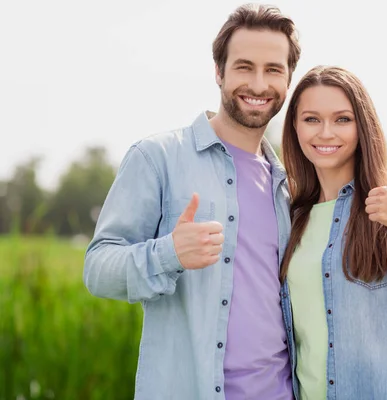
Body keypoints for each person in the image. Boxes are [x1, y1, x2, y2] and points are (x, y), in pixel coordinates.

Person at [83, 4, 301, 399]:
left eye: (273, 70)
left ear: (288, 80)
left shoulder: (287, 185)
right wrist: (168, 255)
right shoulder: (157, 157)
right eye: (243, 67)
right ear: (218, 72)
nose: (257, 84)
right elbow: (97, 269)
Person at [279, 66, 387, 400]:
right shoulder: (290, 216)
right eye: (312, 119)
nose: (326, 132)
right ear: (295, 127)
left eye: (342, 119)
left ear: (362, 126)